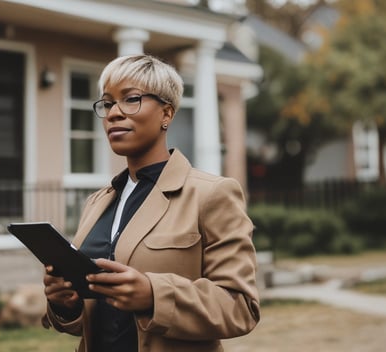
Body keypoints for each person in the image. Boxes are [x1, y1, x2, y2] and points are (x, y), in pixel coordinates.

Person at [42, 54, 260, 352]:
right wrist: (65, 304)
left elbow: (241, 307)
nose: (114, 113)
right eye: (107, 104)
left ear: (166, 114)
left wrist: (155, 295)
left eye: (131, 99)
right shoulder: (97, 202)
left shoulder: (212, 194)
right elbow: (98, 320)